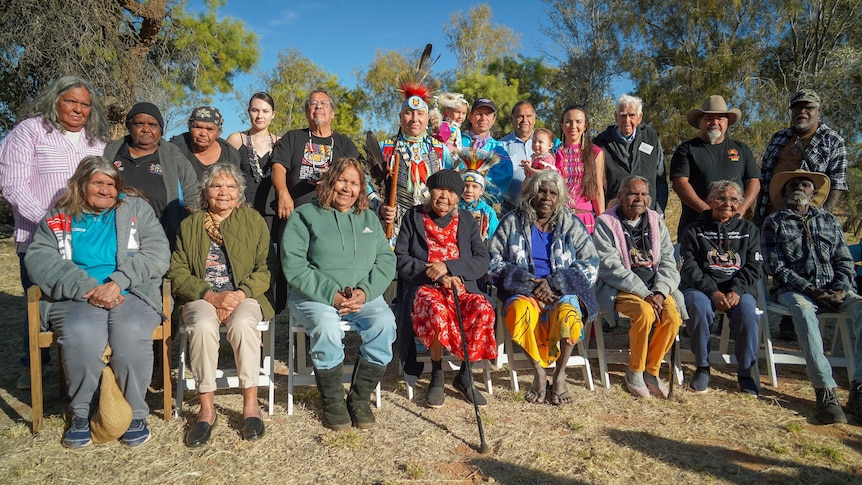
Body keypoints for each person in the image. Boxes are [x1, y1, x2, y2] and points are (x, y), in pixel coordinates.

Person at [25, 156, 169, 448]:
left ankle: (134, 413)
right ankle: (81, 412)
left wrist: (118, 282)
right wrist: (88, 288)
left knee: (130, 333)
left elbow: (157, 252)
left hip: (132, 291)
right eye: (97, 183)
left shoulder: (136, 210)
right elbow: (40, 259)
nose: (105, 190)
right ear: (82, 184)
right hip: (77, 295)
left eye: (111, 184)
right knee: (82, 333)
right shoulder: (59, 216)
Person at [0, 75, 109, 390]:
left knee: (83, 300)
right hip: (39, 239)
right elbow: (13, 186)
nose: (78, 109)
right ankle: (33, 364)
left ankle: (75, 365)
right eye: (71, 101)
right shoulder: (30, 132)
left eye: (85, 104)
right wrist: (50, 223)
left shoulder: (95, 141)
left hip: (85, 242)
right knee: (39, 302)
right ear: (55, 100)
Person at [282, 157, 396, 430]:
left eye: (355, 183)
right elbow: (295, 264)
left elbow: (385, 260)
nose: (347, 188)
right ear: (329, 181)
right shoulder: (304, 215)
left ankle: (358, 399)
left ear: (361, 188)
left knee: (385, 325)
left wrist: (365, 292)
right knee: (328, 327)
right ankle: (333, 401)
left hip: (361, 296)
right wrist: (330, 294)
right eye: (342, 180)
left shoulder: (368, 217)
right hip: (313, 295)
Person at [167, 163, 275, 447]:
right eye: (217, 186)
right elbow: (177, 272)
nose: (223, 192)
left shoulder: (253, 221)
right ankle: (206, 409)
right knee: (202, 324)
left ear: (239, 194)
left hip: (244, 296)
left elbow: (266, 268)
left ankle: (250, 404)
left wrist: (239, 295)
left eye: (230, 187)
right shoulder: (190, 225)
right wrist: (210, 296)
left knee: (242, 324)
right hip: (201, 297)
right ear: (205, 192)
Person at [488, 170, 599, 405]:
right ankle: (538, 373)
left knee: (569, 314)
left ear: (559, 198)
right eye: (542, 191)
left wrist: (556, 283)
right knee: (520, 312)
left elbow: (591, 262)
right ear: (531, 194)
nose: (547, 197)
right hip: (524, 290)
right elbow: (492, 261)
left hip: (561, 291)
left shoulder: (571, 224)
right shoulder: (512, 222)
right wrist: (528, 284)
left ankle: (559, 375)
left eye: (553, 193)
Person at [762, 170, 862, 425]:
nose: (799, 187)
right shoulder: (774, 222)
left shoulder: (829, 220)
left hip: (834, 288)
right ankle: (825, 391)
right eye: (793, 184)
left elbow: (844, 259)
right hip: (794, 291)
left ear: (813, 192)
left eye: (805, 184)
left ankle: (859, 390)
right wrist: (811, 290)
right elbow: (777, 267)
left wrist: (840, 288)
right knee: (805, 312)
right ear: (784, 193)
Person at [395, 169, 497, 408]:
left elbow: (482, 259)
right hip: (425, 286)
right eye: (440, 189)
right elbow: (401, 258)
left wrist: (450, 268)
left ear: (458, 197)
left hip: (461, 286)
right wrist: (435, 274)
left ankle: (465, 374)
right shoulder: (414, 216)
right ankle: (437, 376)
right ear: (430, 191)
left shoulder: (467, 220)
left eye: (452, 192)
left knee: (483, 308)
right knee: (437, 310)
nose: (445, 196)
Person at [594, 176, 685, 399]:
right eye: (633, 194)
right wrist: (644, 293)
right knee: (644, 313)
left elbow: (667, 261)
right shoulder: (605, 222)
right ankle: (635, 371)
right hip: (621, 288)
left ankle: (651, 371)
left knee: (672, 317)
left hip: (656, 288)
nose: (639, 199)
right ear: (620, 197)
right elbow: (609, 267)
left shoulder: (655, 220)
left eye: (644, 194)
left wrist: (661, 291)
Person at [270, 89, 360, 311]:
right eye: (313, 104)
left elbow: (356, 173)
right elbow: (278, 167)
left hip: (332, 217)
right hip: (297, 215)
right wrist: (283, 194)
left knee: (326, 266)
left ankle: (332, 305)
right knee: (295, 265)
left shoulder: (343, 142)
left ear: (332, 112)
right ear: (307, 112)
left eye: (323, 103)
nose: (318, 107)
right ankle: (297, 314)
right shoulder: (293, 137)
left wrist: (332, 183)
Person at [679, 180, 763, 396]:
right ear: (710, 201)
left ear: (741, 203)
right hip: (702, 288)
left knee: (747, 312)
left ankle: (745, 373)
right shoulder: (693, 231)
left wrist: (737, 289)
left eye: (734, 199)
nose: (727, 204)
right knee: (697, 305)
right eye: (721, 198)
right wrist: (712, 291)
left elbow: (755, 266)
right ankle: (703, 366)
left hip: (738, 289)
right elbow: (689, 267)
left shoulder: (749, 230)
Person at [104, 102, 197, 247]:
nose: (146, 129)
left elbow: (192, 193)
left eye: (152, 125)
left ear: (161, 129)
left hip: (160, 239)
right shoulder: (111, 152)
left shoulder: (173, 156)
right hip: (112, 235)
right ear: (129, 127)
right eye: (139, 123)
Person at [670, 95, 759, 237]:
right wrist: (707, 211)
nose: (715, 122)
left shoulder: (741, 149)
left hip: (735, 228)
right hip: (696, 227)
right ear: (700, 122)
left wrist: (740, 210)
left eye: (720, 118)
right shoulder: (687, 149)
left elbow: (754, 181)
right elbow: (680, 184)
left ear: (727, 122)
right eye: (709, 118)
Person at [755, 89, 848, 224]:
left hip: (807, 219)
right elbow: (764, 179)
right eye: (797, 108)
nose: (802, 112)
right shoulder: (778, 137)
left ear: (819, 111)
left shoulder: (833, 141)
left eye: (808, 108)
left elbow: (837, 185)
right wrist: (758, 215)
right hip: (772, 216)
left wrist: (822, 219)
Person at [376, 85, 453, 243]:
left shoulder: (440, 150)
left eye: (420, 114)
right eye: (408, 113)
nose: (414, 119)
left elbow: (451, 187)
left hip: (432, 223)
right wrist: (380, 206)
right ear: (400, 116)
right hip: (394, 225)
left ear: (427, 118)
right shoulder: (385, 147)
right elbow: (365, 183)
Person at [594, 94, 668, 213]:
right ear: (616, 117)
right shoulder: (601, 142)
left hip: (647, 212)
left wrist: (659, 212)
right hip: (614, 213)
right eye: (623, 115)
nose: (627, 120)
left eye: (632, 115)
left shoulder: (651, 138)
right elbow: (596, 184)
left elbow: (660, 177)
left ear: (640, 117)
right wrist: (602, 215)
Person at [226, 92, 281, 232]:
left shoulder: (280, 142)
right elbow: (225, 175)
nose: (260, 116)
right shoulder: (236, 139)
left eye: (265, 111)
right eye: (255, 110)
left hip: (271, 212)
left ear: (273, 114)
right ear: (248, 112)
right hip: (241, 210)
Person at [555, 105, 606, 234]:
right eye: (568, 122)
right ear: (562, 125)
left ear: (585, 126)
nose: (573, 126)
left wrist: (603, 222)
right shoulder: (554, 153)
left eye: (578, 122)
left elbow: (598, 189)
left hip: (585, 218)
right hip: (557, 217)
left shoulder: (595, 153)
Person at [461, 98, 513, 204]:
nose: (483, 118)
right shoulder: (457, 141)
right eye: (479, 113)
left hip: (483, 206)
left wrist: (480, 194)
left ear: (493, 119)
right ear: (470, 117)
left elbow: (502, 180)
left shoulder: (498, 149)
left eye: (488, 114)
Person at [170, 106, 241, 179]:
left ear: (218, 132)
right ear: (190, 128)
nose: (203, 134)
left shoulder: (230, 154)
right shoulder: (175, 148)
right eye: (198, 127)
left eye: (209, 129)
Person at [500, 101, 537, 209]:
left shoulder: (544, 142)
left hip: (540, 208)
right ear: (512, 119)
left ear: (534, 120)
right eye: (520, 116)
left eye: (529, 116)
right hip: (511, 207)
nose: (525, 120)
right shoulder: (501, 146)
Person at [460, 167, 499, 242]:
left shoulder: (488, 212)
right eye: (466, 185)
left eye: (474, 186)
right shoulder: (454, 209)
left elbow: (495, 240)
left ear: (481, 190)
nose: (469, 190)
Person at [430, 92, 469, 158]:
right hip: (445, 156)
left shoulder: (456, 128)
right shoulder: (445, 126)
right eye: (457, 112)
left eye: (463, 113)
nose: (460, 116)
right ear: (447, 112)